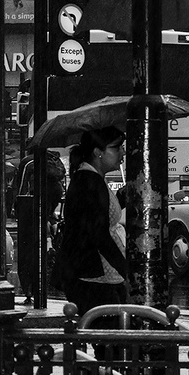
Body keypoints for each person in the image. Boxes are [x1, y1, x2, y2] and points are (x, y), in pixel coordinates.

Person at [58, 128, 129, 313]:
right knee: (109, 332)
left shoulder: (94, 178)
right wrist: (125, 269)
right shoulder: (89, 180)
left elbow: (98, 215)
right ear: (98, 152)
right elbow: (98, 232)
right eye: (117, 147)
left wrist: (120, 199)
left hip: (96, 272)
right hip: (91, 275)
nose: (123, 152)